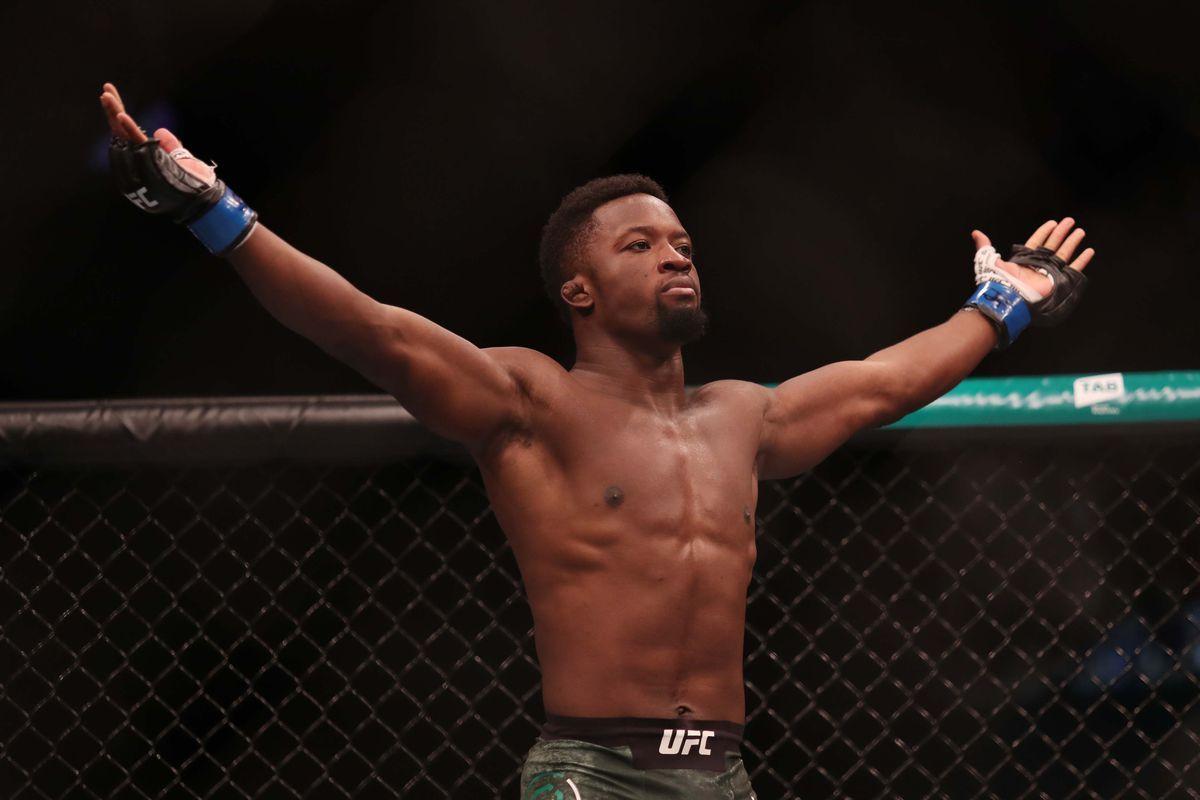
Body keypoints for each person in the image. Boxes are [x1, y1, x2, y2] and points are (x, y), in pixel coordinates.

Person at [99, 82, 1094, 800]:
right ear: (578, 290)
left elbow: (885, 382)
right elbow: (375, 329)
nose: (676, 255)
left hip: (724, 773)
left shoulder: (745, 417)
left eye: (683, 244)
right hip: (595, 774)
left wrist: (1004, 303)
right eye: (640, 244)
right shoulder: (531, 402)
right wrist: (215, 212)